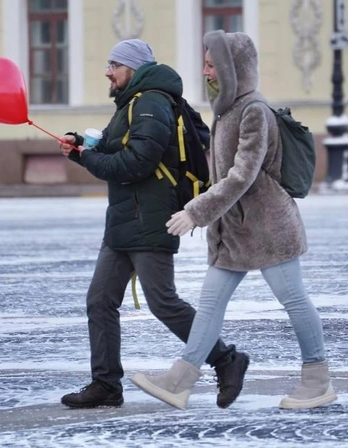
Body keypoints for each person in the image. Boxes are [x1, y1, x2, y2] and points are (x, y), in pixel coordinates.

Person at [131, 30, 336, 410]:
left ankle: (317, 378)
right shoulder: (227, 109)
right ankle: (180, 380)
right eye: (206, 63)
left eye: (212, 64)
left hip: (268, 228)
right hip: (234, 232)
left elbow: (242, 175)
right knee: (209, 305)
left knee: (293, 299)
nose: (205, 71)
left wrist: (196, 212)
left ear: (231, 68)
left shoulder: (253, 110)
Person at [58, 39, 249, 409]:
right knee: (99, 301)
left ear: (132, 68)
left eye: (114, 64)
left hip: (148, 217)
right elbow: (119, 153)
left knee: (163, 302)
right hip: (125, 219)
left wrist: (89, 159)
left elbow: (136, 164)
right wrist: (83, 148)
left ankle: (226, 360)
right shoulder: (133, 102)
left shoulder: (150, 102)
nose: (108, 71)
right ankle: (106, 384)